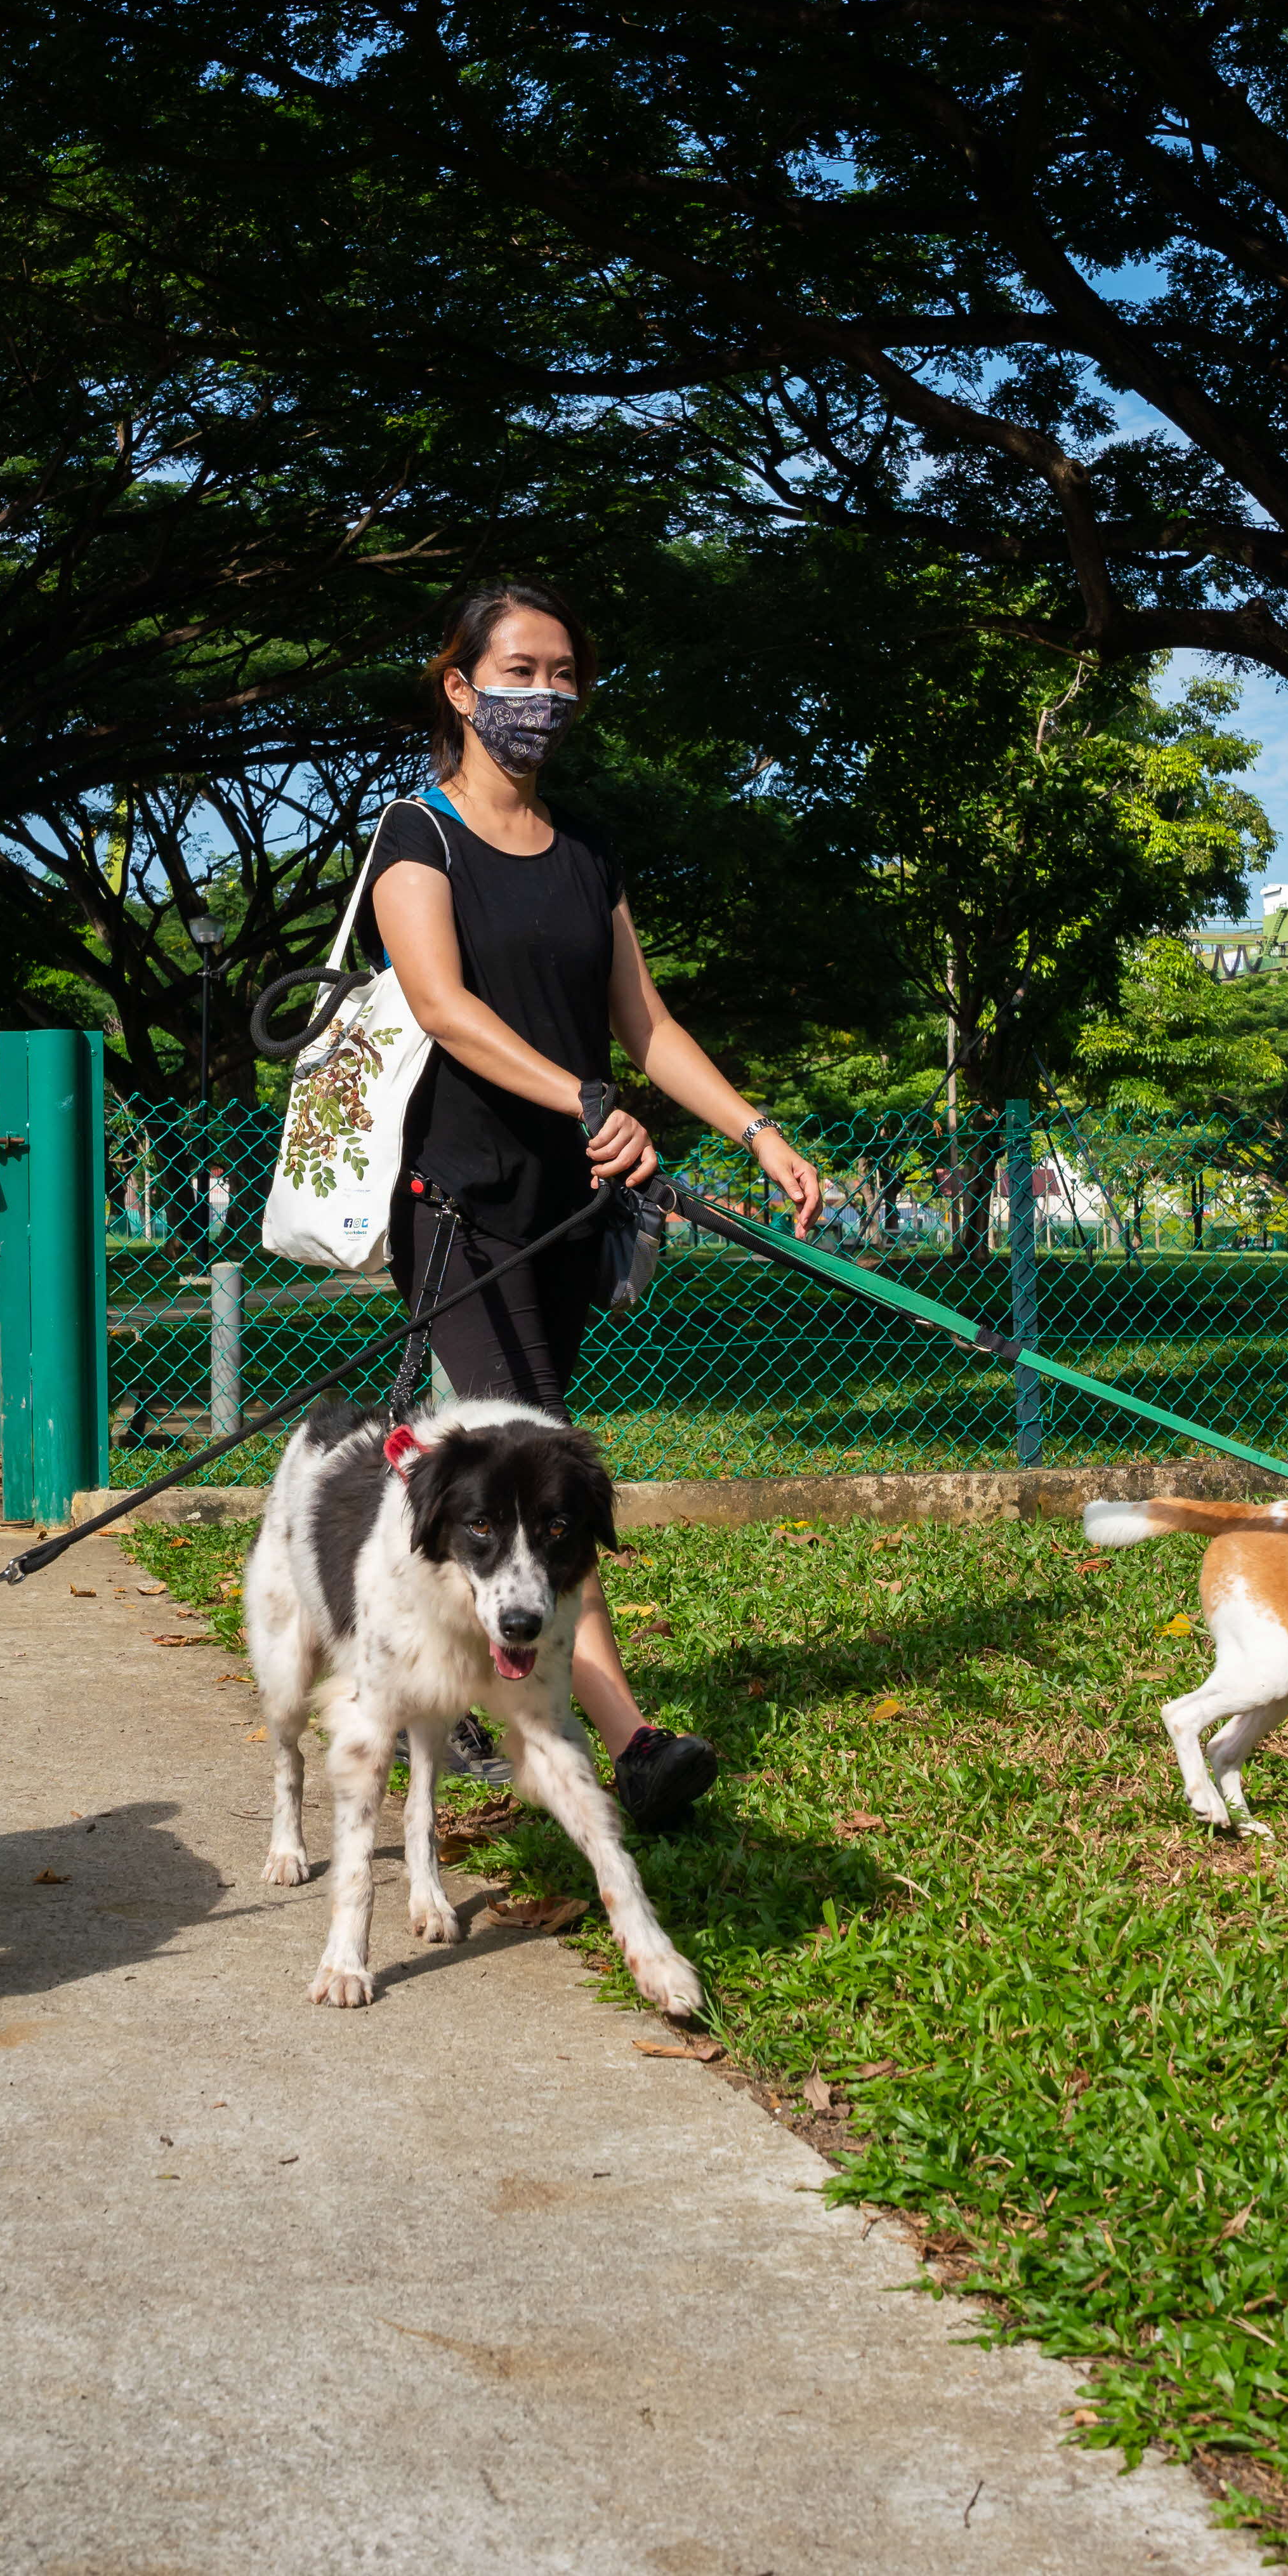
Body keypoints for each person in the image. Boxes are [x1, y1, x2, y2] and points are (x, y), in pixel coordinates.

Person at [364, 576, 830, 1833]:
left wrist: (756, 1131)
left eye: (564, 673)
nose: (545, 696)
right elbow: (443, 1009)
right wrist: (579, 1097)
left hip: (571, 1213)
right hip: (459, 1205)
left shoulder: (582, 857)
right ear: (457, 687)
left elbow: (650, 1025)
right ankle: (627, 1742)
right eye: (517, 671)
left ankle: (459, 1683)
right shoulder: (420, 836)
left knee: (519, 1472)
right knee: (542, 1458)